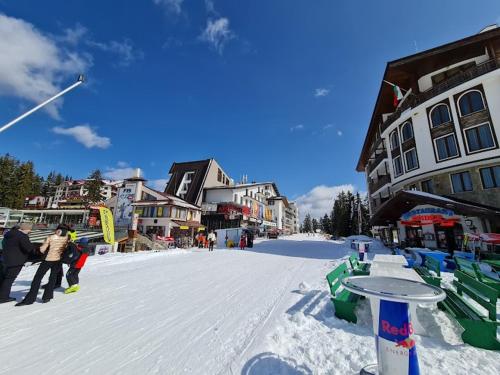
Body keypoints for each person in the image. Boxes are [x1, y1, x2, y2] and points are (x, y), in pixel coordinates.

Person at [16, 225, 69, 306]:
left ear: (58, 230)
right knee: (53, 278)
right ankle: (47, 297)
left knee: (37, 278)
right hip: (58, 260)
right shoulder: (66, 237)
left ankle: (30, 299)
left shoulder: (51, 237)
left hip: (48, 260)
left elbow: (42, 249)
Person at [0, 223, 35, 304]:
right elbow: (28, 248)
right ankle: (3, 297)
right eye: (30, 229)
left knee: (3, 277)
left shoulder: (9, 234)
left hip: (5, 259)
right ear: (26, 229)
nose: (30, 231)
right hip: (16, 261)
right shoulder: (22, 236)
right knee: (9, 279)